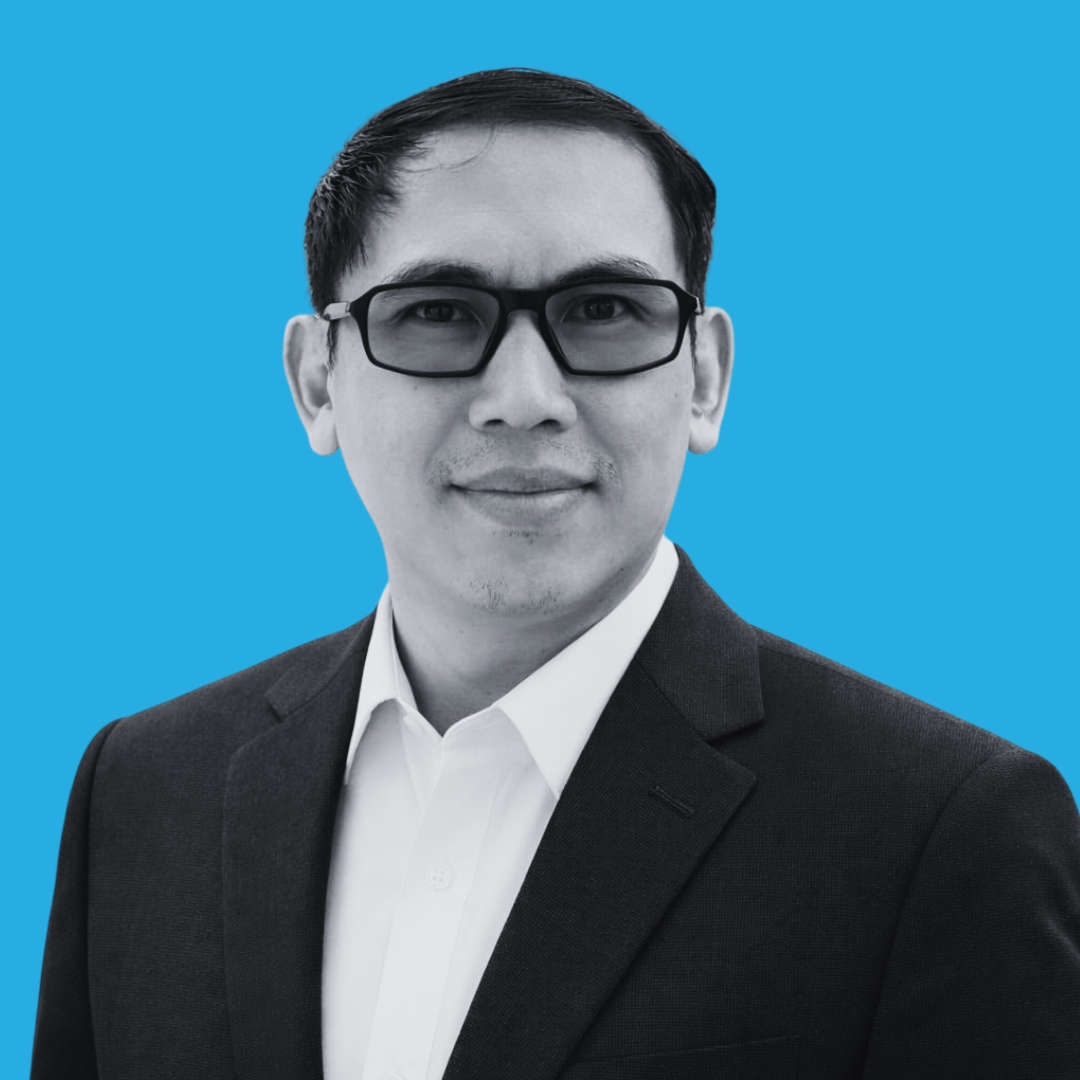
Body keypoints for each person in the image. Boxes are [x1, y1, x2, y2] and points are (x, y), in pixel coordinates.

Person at [32, 68, 1080, 1080]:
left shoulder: (944, 830)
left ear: (705, 377)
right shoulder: (143, 791)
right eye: (438, 312)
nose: (524, 399)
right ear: (317, 382)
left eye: (604, 310)